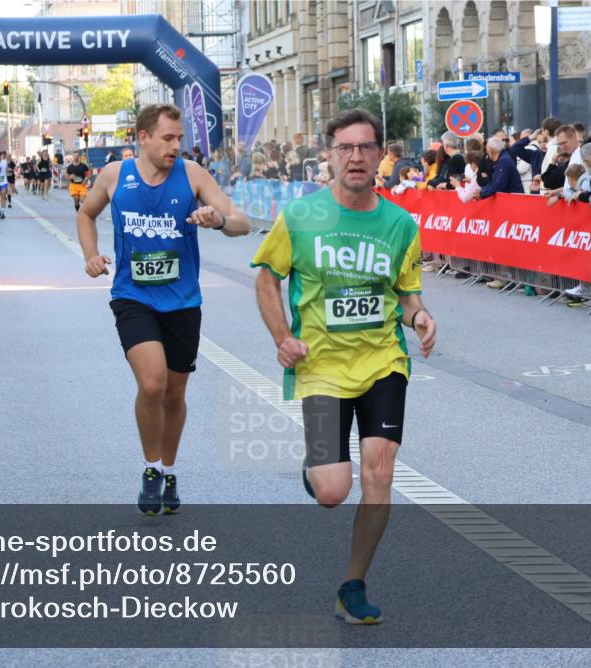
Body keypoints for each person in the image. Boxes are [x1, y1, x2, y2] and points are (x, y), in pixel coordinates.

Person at [251, 108, 437, 626]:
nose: (356, 157)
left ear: (380, 155)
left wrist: (419, 317)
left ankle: (353, 583)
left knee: (379, 473)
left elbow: (407, 295)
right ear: (329, 156)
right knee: (334, 491)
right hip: (322, 367)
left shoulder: (400, 223)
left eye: (365, 147)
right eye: (345, 148)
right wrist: (282, 337)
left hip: (382, 361)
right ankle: (319, 470)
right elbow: (266, 278)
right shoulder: (301, 217)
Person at [76, 103, 250, 515]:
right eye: (168, 138)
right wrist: (91, 254)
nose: (176, 146)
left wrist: (218, 221)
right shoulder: (116, 175)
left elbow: (242, 221)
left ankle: (169, 471)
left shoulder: (193, 175)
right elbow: (86, 214)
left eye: (179, 139)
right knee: (152, 384)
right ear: (143, 138)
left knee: (174, 395)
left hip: (183, 300)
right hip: (132, 296)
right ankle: (151, 469)